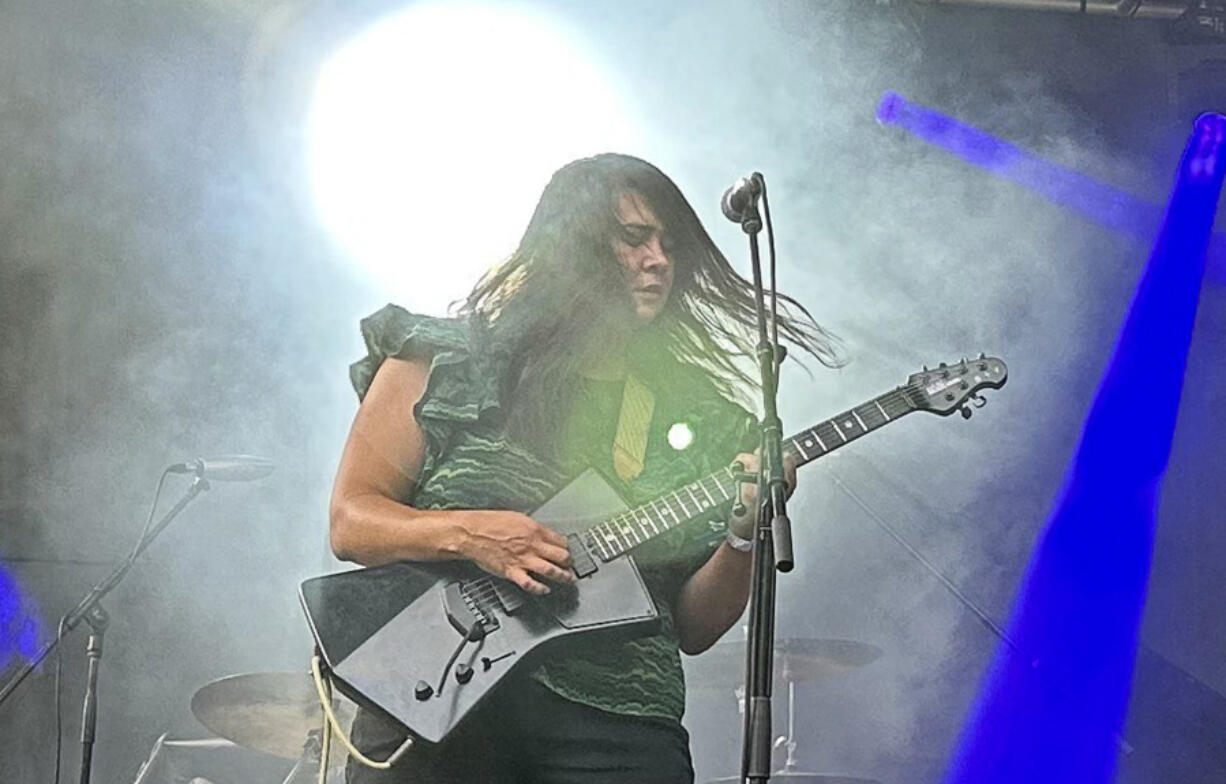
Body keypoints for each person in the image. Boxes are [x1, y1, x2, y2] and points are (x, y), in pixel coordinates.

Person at [328, 153, 840, 783]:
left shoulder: (702, 416)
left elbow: (694, 626)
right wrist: (470, 535)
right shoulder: (442, 360)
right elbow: (353, 523)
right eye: (634, 239)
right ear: (570, 245)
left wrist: (742, 532)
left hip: (623, 719)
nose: (659, 260)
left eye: (669, 245)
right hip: (446, 694)